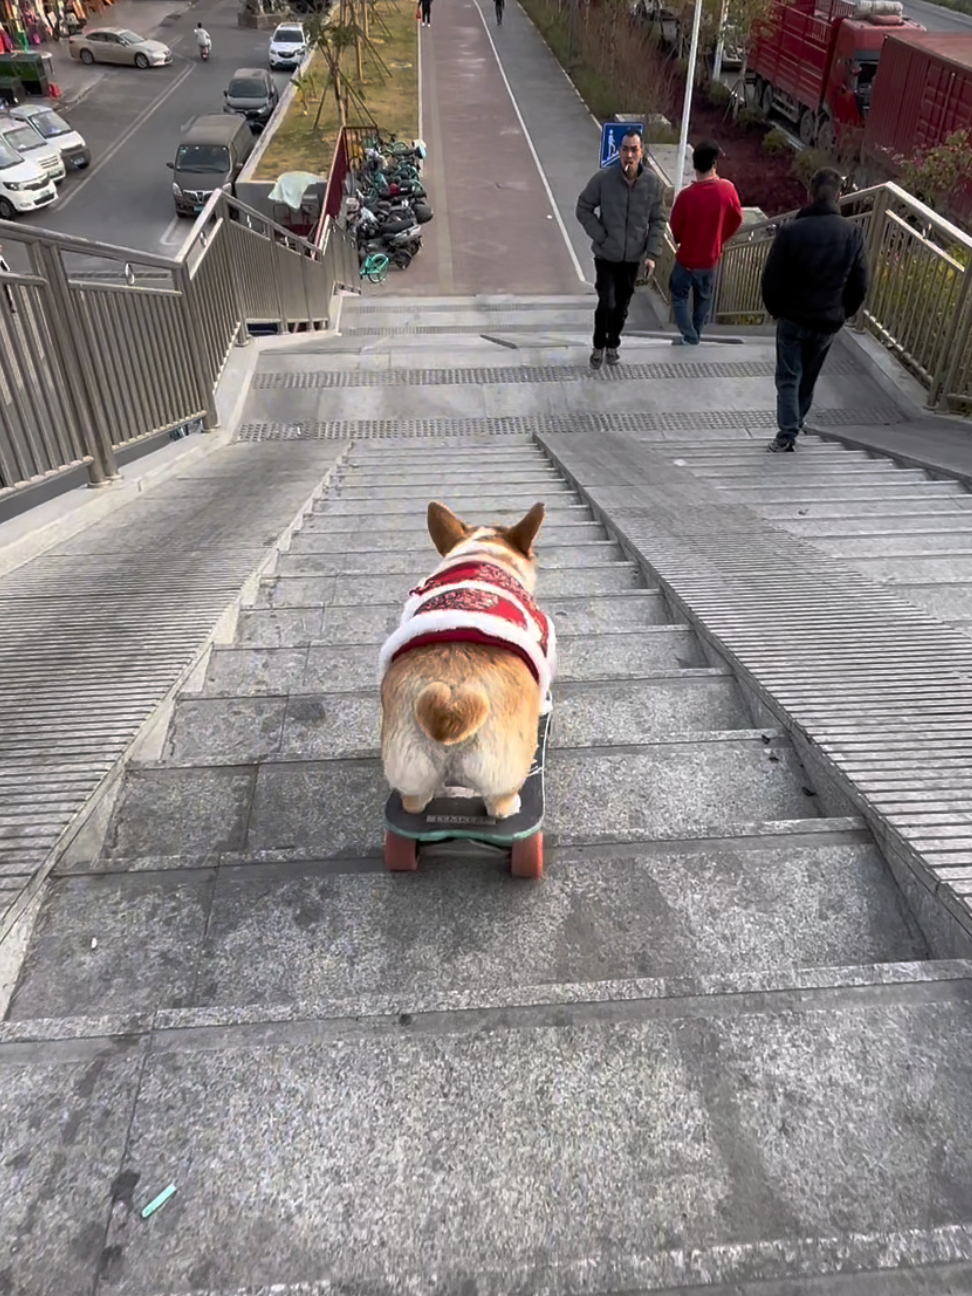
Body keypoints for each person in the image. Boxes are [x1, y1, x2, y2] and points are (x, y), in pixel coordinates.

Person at [760, 166, 868, 452]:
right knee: (809, 376)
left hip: (793, 317)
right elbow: (860, 282)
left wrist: (776, 309)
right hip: (828, 321)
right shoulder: (853, 233)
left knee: (788, 377)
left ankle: (786, 434)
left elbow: (771, 278)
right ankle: (797, 421)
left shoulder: (791, 232)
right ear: (839, 195)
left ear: (810, 194)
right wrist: (844, 312)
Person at [576, 129, 665, 369]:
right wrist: (601, 235)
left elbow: (658, 220)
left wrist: (651, 254)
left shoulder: (653, 185)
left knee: (622, 306)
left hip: (632, 258)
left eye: (634, 149)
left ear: (641, 152)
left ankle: (613, 343)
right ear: (619, 151)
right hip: (606, 256)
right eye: (625, 149)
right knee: (607, 303)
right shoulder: (604, 180)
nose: (629, 154)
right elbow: (583, 207)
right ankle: (598, 346)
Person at [668, 138, 742, 345]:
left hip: (687, 259)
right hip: (710, 260)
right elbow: (736, 219)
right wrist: (720, 238)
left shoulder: (686, 197)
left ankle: (689, 336)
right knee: (704, 300)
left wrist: (681, 239)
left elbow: (676, 227)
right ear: (714, 164)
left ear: (694, 165)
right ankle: (696, 335)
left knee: (679, 296)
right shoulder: (727, 190)